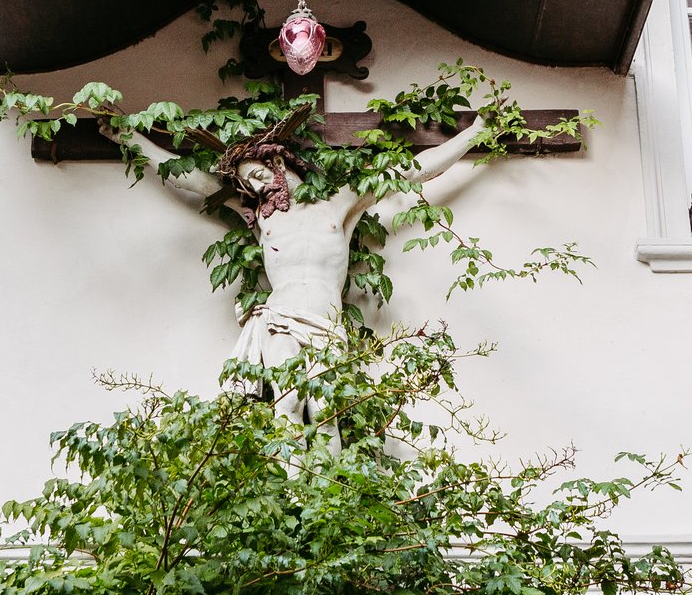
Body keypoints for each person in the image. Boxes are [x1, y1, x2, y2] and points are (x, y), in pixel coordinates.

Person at [105, 109, 490, 422]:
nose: (258, 188)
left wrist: (476, 132)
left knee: (325, 414)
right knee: (287, 403)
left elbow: (412, 170)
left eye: (258, 176)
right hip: (280, 319)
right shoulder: (262, 217)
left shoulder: (340, 201)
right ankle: (289, 486)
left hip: (326, 323)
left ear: (278, 162)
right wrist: (129, 138)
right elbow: (189, 179)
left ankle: (327, 492)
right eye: (250, 185)